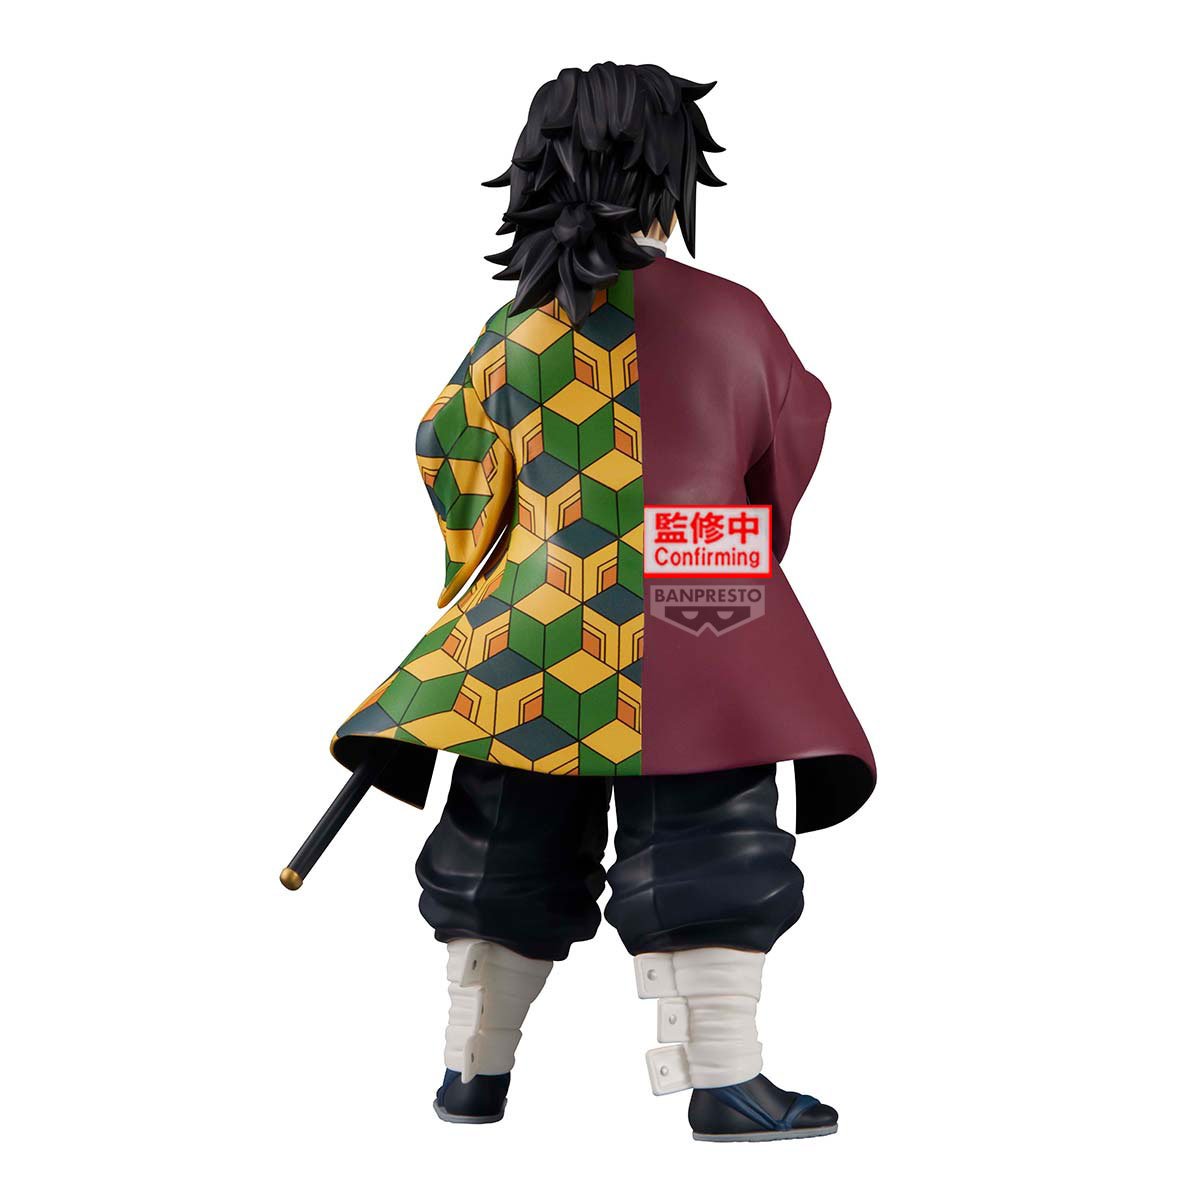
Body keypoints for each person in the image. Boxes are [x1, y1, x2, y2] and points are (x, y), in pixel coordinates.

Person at [330, 62, 876, 1142]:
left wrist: (503, 552)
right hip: (707, 583)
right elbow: (790, 435)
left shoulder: (517, 328)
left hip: (545, 597)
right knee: (712, 833)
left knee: (504, 825)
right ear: (670, 172)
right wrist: (728, 529)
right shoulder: (732, 315)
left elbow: (448, 448)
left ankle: (473, 1070)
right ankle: (726, 1080)